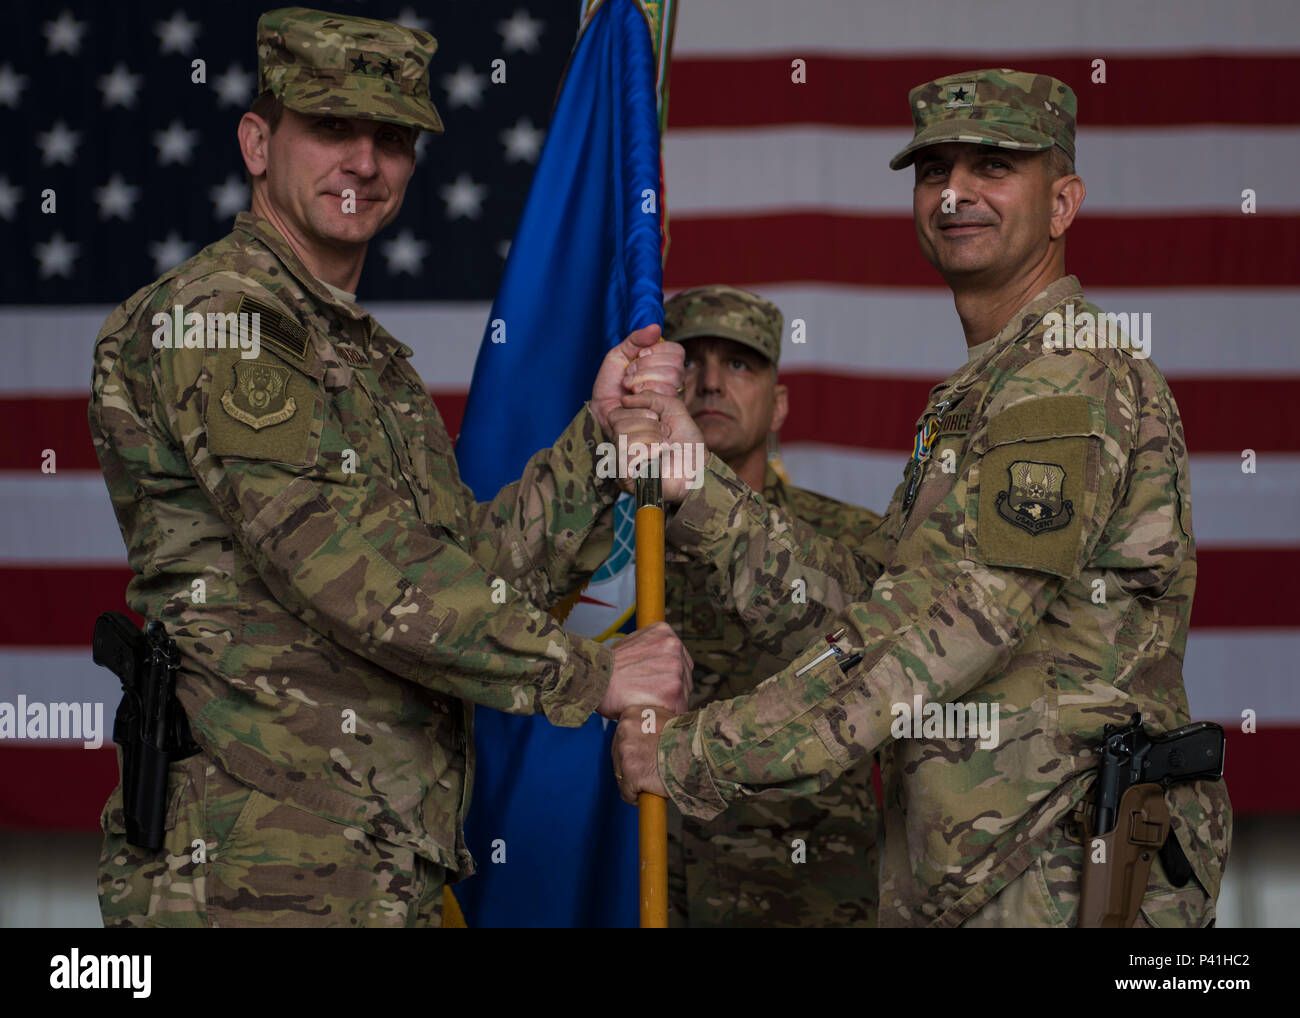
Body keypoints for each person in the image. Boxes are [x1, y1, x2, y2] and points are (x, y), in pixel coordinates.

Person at [89, 6, 690, 928]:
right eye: (330, 127)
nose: (364, 162)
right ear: (258, 142)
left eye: (393, 137)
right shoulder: (224, 318)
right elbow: (343, 569)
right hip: (257, 878)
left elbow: (469, 575)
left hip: (368, 870)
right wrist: (589, 677)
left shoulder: (363, 358)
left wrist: (600, 446)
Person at [610, 68, 1232, 927]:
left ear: (1063, 204)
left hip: (1057, 879)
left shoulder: (1065, 378)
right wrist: (694, 484)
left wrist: (696, 753)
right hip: (981, 877)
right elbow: (866, 604)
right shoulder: (988, 389)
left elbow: (951, 627)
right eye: (934, 170)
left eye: (993, 167)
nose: (955, 193)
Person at [660, 285, 884, 927]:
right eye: (689, 365)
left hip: (809, 898)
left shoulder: (847, 544)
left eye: (738, 364)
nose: (708, 385)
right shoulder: (618, 558)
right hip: (642, 890)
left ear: (778, 402)